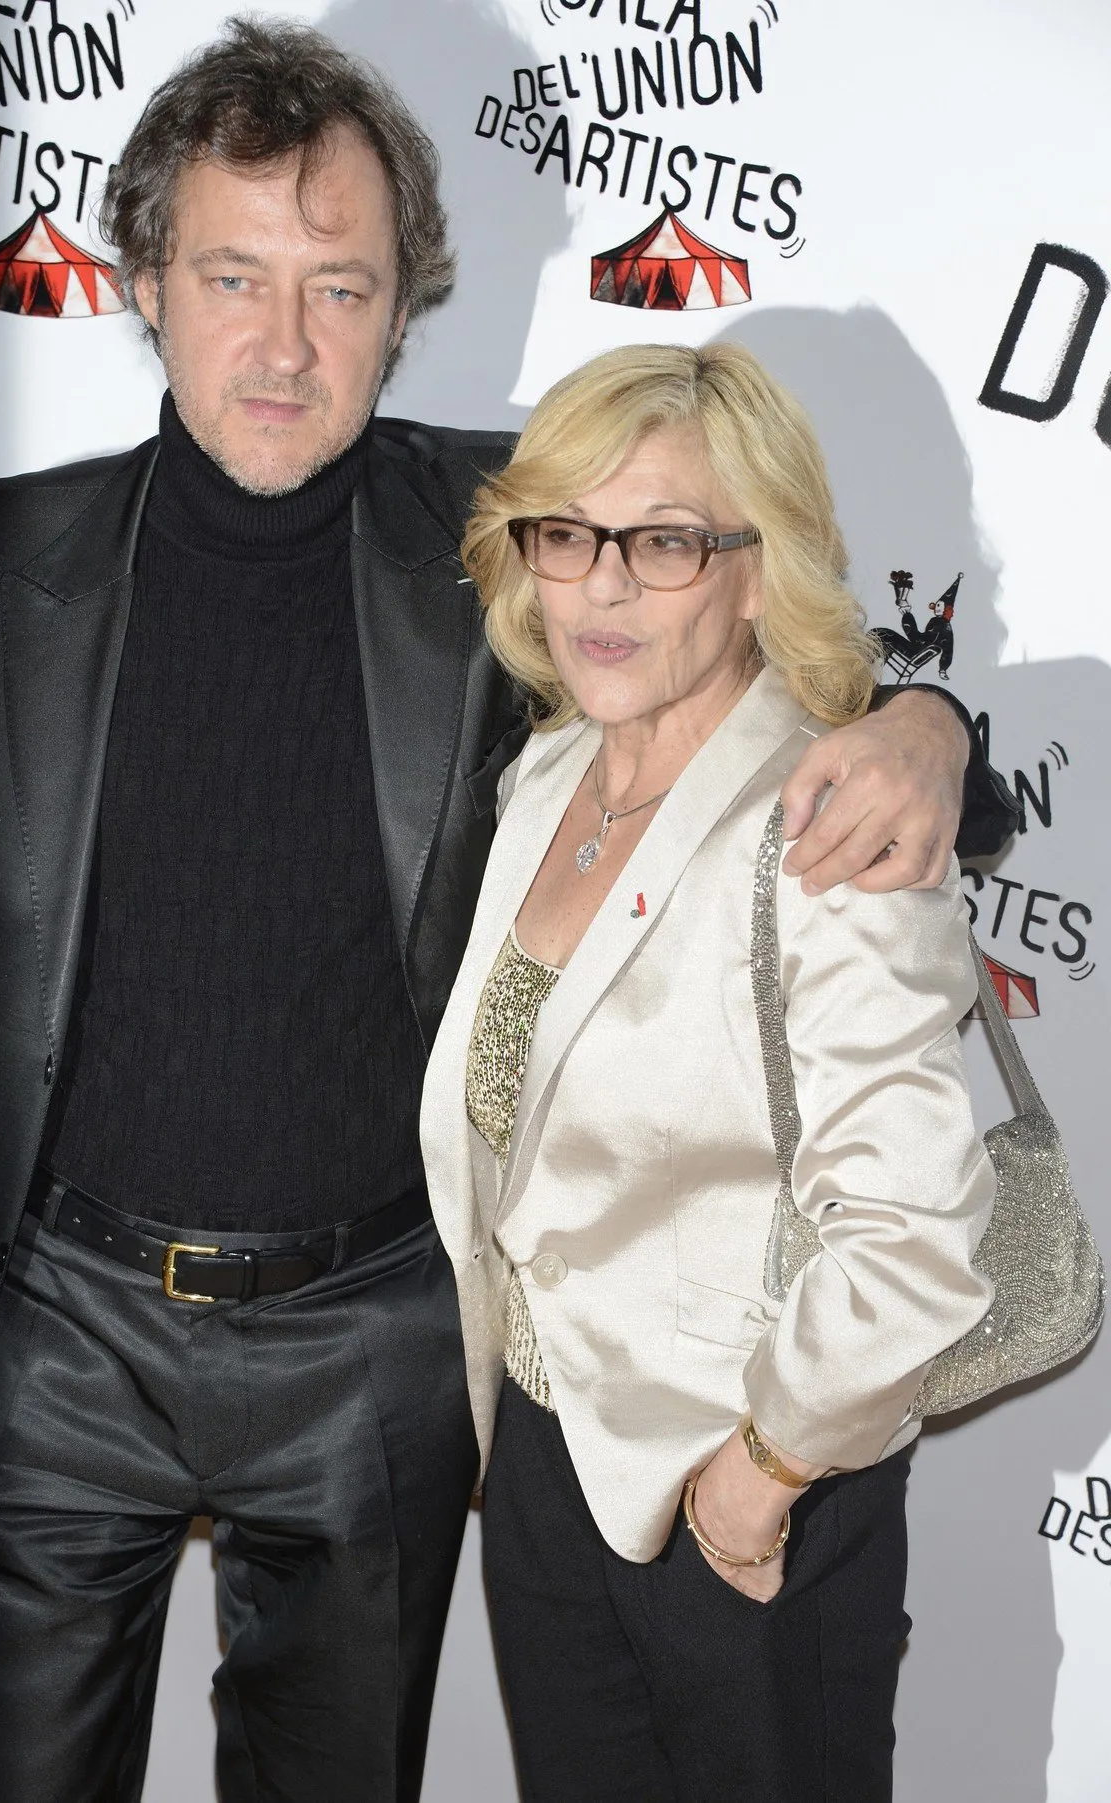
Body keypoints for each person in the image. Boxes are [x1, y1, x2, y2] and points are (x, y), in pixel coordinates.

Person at [0, 17, 1012, 1803]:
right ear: (143, 282)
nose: (283, 344)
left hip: (378, 1341)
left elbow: (748, 628)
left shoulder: (510, 539)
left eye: (338, 286)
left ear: (404, 302)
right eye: (234, 276)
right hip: (54, 1338)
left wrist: (931, 721)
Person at [420, 340, 999, 1803]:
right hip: (549, 1465)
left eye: (664, 540)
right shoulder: (544, 776)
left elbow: (918, 1240)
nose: (602, 585)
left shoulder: (827, 821)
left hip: (743, 1487)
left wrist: (756, 1478)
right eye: (568, 533)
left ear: (757, 567)